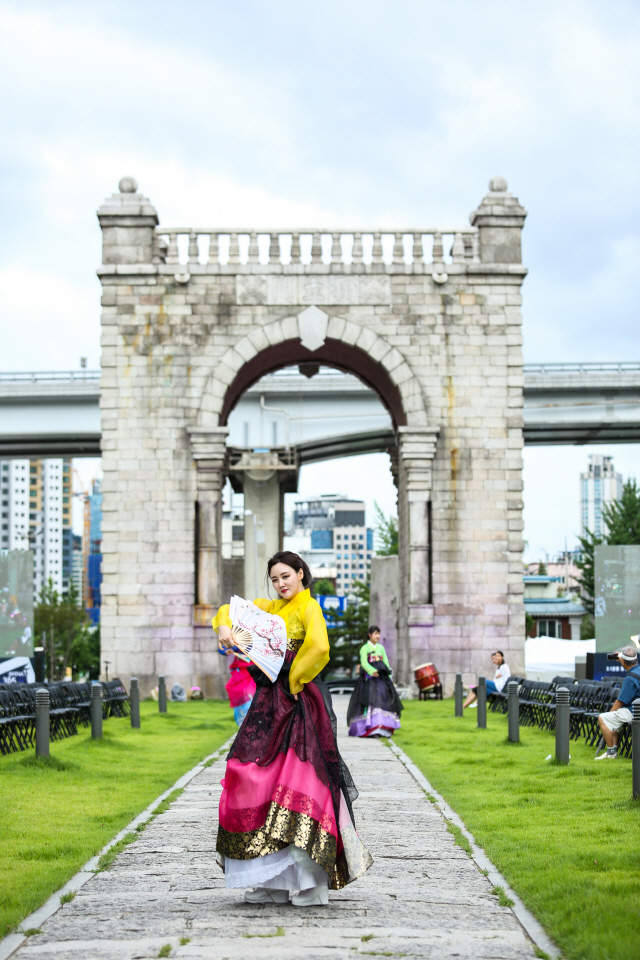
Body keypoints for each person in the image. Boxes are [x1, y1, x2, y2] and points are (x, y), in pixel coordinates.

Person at [212, 550, 373, 907]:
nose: (280, 583)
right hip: (269, 701)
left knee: (298, 781)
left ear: (301, 574)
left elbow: (319, 646)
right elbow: (232, 610)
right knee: (250, 775)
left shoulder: (308, 607)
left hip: (298, 700)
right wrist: (224, 626)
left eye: (286, 576)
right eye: (274, 579)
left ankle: (312, 881)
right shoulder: (271, 609)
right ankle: (270, 879)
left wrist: (294, 678)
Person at [347, 626, 403, 737]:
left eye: (379, 634)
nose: (378, 636)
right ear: (370, 635)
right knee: (370, 701)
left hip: (381, 680)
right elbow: (364, 663)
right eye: (375, 633)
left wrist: (389, 675)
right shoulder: (364, 648)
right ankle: (371, 728)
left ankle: (382, 727)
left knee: (382, 700)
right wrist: (372, 671)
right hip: (369, 680)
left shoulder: (381, 648)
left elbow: (386, 662)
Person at [596, 645, 640, 760]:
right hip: (635, 709)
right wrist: (622, 658)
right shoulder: (638, 671)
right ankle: (614, 749)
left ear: (623, 661)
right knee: (614, 719)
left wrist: (610, 713)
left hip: (634, 711)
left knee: (603, 718)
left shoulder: (630, 678)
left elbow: (620, 701)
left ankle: (611, 753)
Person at [218, 644, 256, 725]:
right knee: (235, 689)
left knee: (251, 697)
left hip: (254, 670)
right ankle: (244, 723)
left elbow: (250, 644)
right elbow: (221, 649)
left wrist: (235, 647)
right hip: (240, 672)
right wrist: (228, 649)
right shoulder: (236, 635)